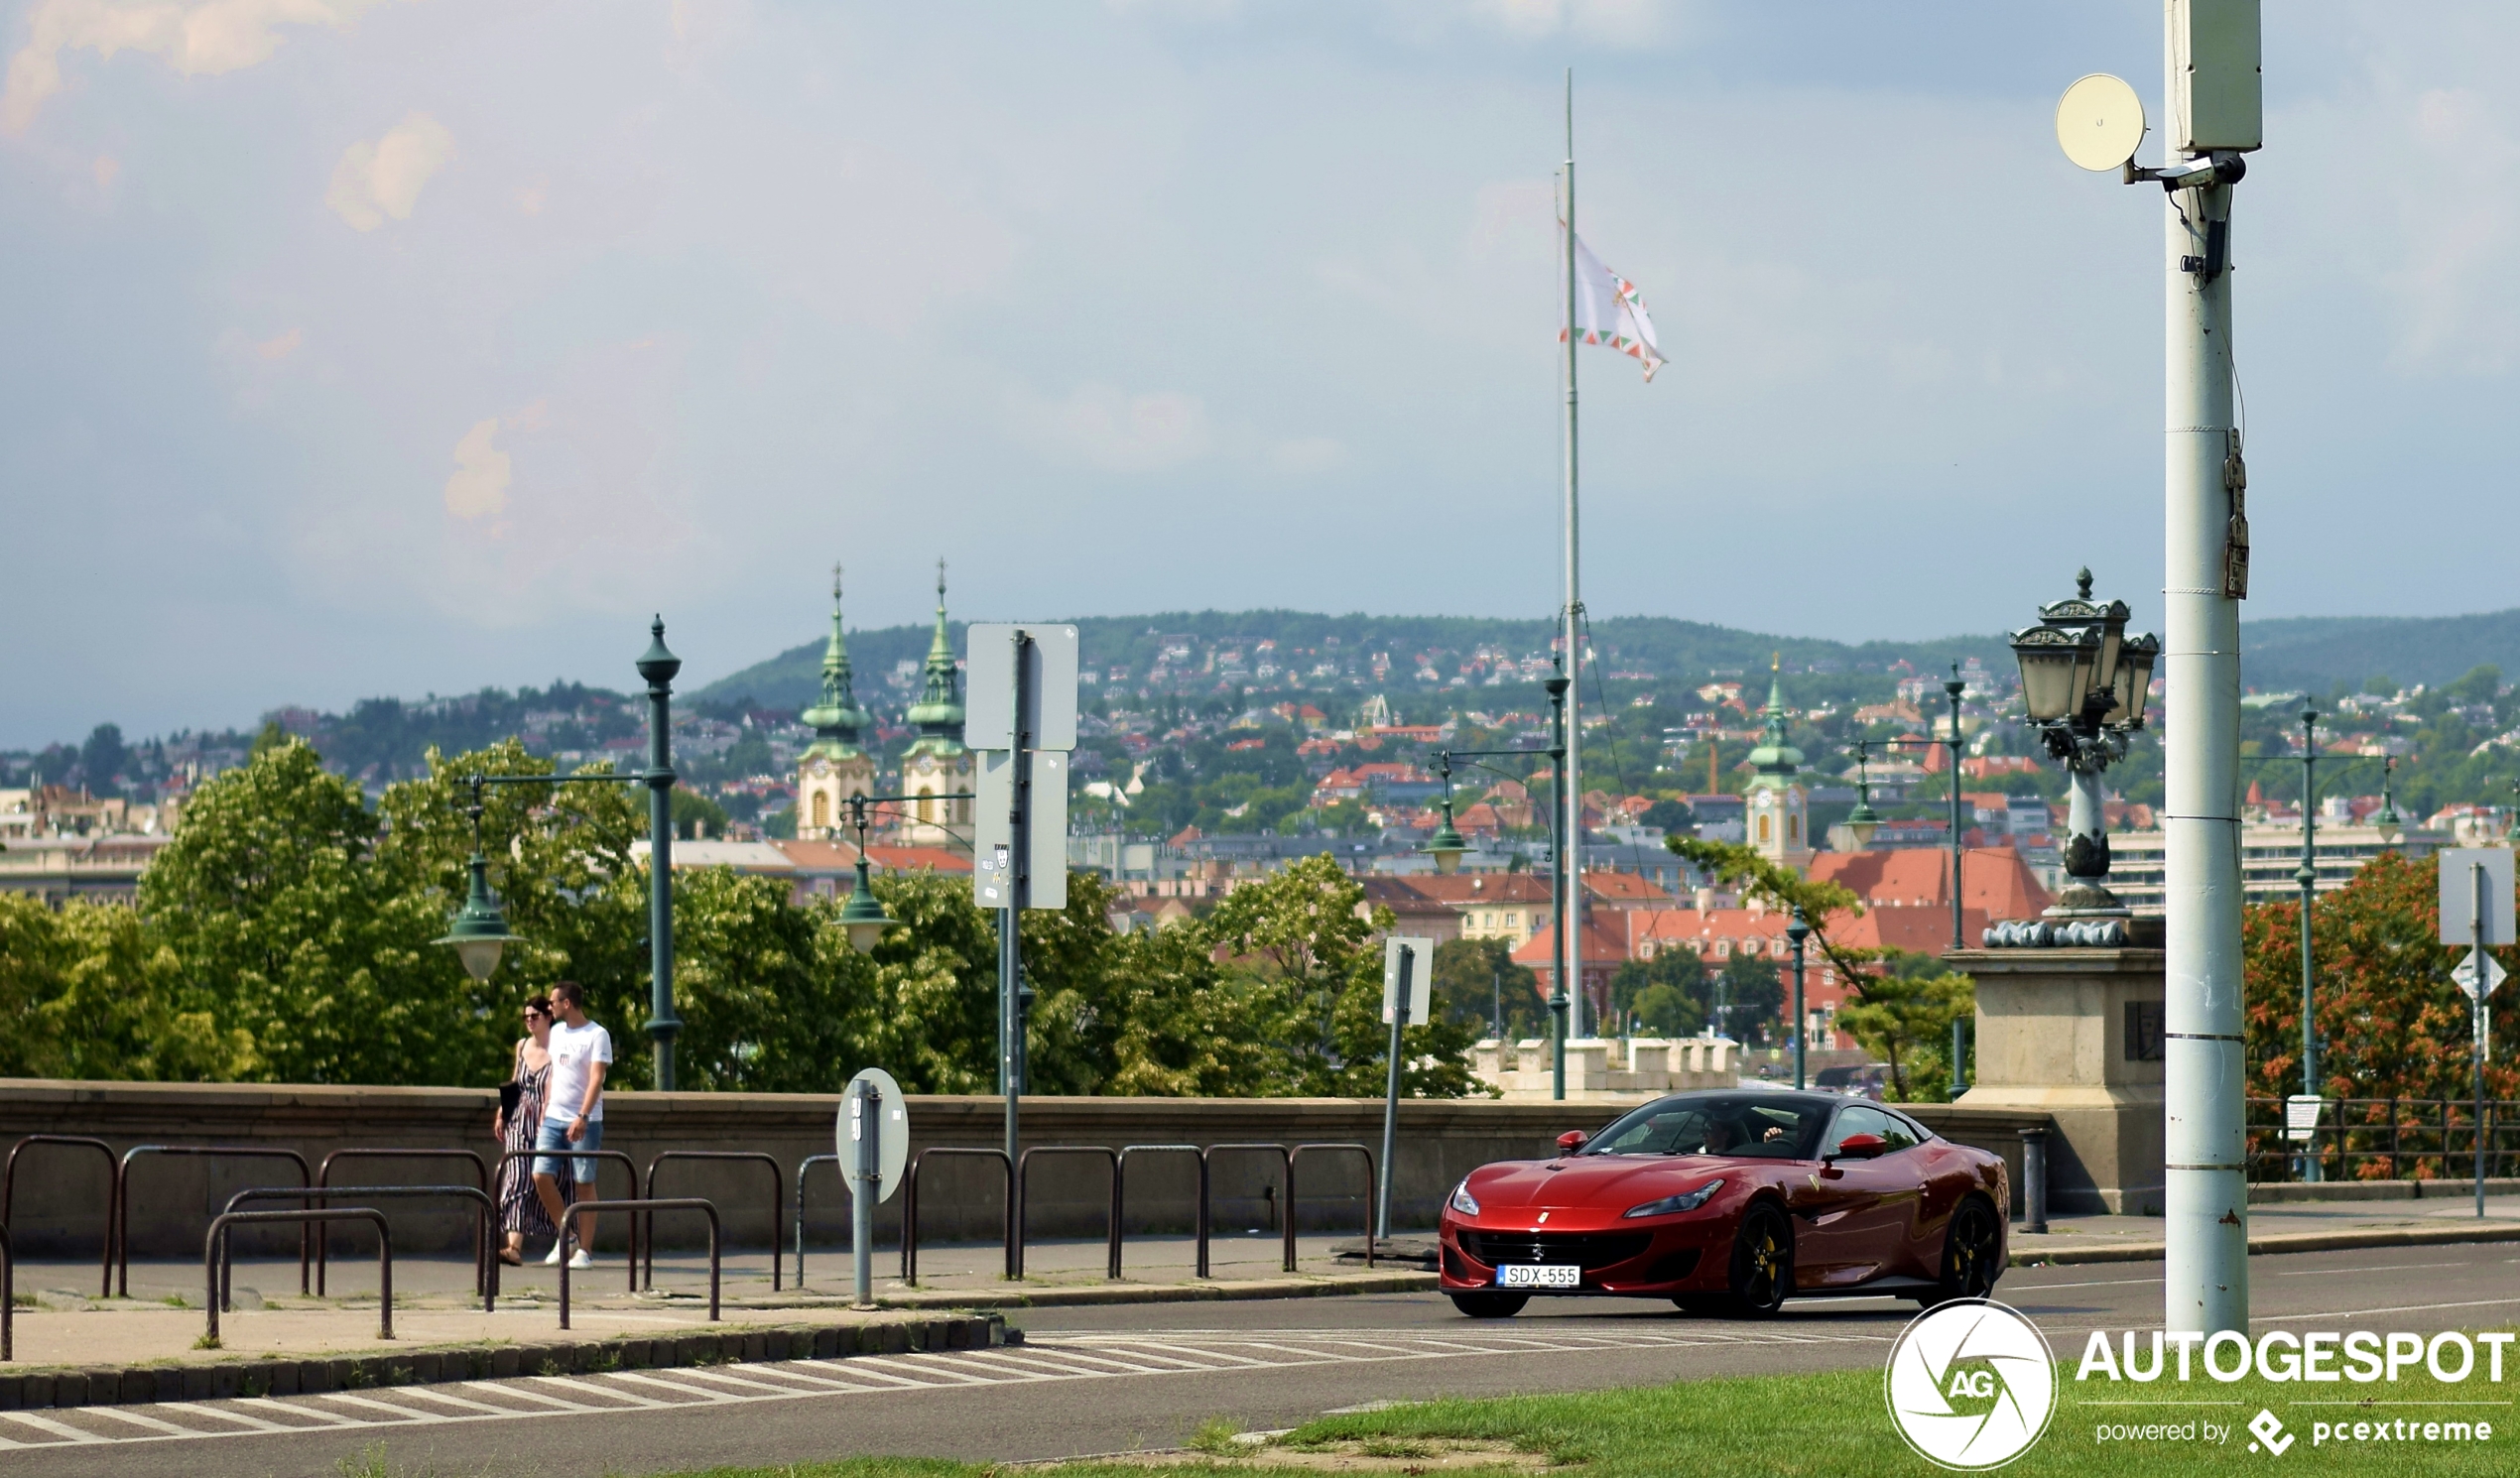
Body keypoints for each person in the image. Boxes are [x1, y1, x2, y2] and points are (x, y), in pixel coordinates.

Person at [534, 980, 611, 1269]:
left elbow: (597, 1078)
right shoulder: (556, 1032)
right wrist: (546, 1103)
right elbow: (555, 1071)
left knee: (584, 1182)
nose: (549, 1007)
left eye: (553, 1002)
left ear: (567, 1003)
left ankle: (585, 1251)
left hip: (584, 1120)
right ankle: (568, 1236)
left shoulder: (597, 1034)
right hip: (554, 1116)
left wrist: (583, 1116)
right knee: (540, 1175)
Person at [491, 996, 570, 1266]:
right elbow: (516, 1081)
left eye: (534, 1016)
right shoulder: (522, 1046)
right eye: (526, 1017)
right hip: (520, 1120)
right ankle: (513, 1248)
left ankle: (569, 1237)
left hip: (549, 1120)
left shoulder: (560, 1048)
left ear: (549, 1017)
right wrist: (504, 1112)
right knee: (516, 1178)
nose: (529, 1021)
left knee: (556, 1179)